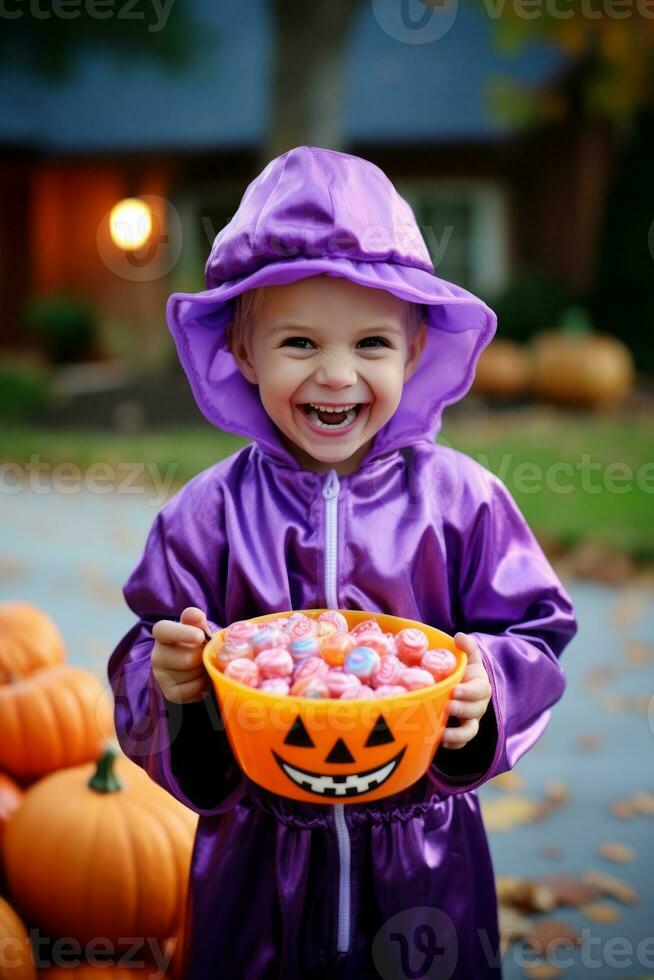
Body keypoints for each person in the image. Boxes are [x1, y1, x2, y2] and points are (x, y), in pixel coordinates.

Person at [108, 145, 577, 980]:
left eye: (369, 343)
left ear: (415, 348)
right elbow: (147, 645)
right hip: (257, 854)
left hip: (423, 858)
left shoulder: (462, 502)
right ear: (245, 355)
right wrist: (171, 681)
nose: (336, 375)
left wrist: (488, 685)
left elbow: (535, 630)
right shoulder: (208, 513)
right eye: (297, 342)